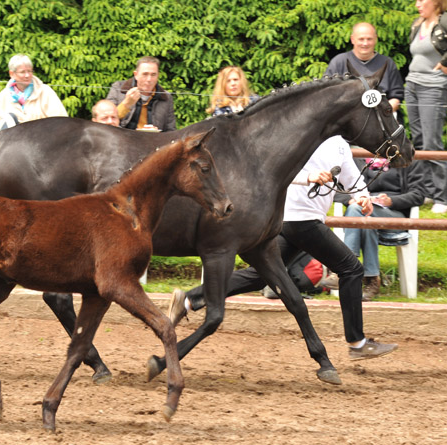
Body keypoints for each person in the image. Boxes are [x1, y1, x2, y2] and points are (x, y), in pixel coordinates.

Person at [168, 136, 398, 361]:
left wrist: (362, 196)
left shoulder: (339, 143)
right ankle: (357, 343)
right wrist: (309, 176)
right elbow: (274, 167)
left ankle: (188, 300)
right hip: (300, 220)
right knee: (352, 269)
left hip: (300, 220)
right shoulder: (305, 134)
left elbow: (351, 176)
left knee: (261, 276)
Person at [332, 157, 426, 301]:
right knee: (366, 220)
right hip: (362, 213)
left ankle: (344, 269)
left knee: (358, 210)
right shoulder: (356, 159)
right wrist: (350, 199)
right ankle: (372, 280)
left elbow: (418, 195)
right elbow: (336, 189)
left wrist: (391, 201)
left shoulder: (407, 158)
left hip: (394, 215)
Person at [405, 0, 447, 214]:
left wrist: (446, 61)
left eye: (422, 0)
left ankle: (443, 197)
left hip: (433, 87)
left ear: (436, 2)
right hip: (413, 85)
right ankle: (427, 191)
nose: (417, 4)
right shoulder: (418, 24)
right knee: (418, 141)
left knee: (432, 142)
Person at [325, 22, 405, 116]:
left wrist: (378, 114)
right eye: (361, 39)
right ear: (353, 39)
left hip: (381, 119)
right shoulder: (338, 62)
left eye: (369, 39)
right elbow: (327, 96)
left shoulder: (387, 63)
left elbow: (396, 98)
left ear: (376, 39)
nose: (365, 43)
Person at [0, 54, 68, 130]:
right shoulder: (4, 96)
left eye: (29, 71)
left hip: (42, 139)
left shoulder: (45, 92)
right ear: (12, 74)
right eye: (22, 72)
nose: (27, 75)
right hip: (13, 140)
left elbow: (61, 121)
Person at [106, 56, 176, 132]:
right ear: (136, 75)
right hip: (122, 139)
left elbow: (170, 130)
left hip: (152, 141)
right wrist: (127, 104)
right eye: (145, 74)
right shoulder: (119, 88)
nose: (149, 79)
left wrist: (157, 134)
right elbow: (107, 121)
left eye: (153, 75)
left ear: (158, 75)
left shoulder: (165, 97)